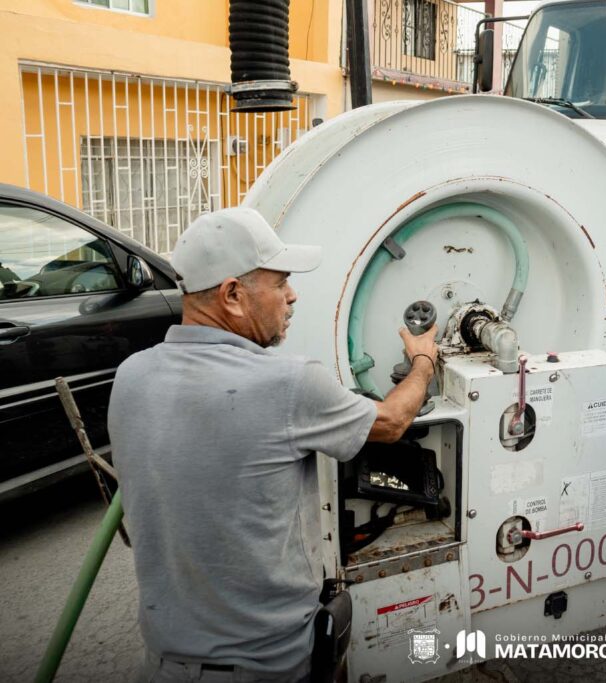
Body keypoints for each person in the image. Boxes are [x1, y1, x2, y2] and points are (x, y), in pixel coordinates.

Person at [108, 207, 437, 682]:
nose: (292, 295)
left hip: (163, 663)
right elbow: (390, 422)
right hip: (266, 665)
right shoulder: (288, 383)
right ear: (233, 294)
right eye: (280, 282)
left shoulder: (132, 376)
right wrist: (423, 362)